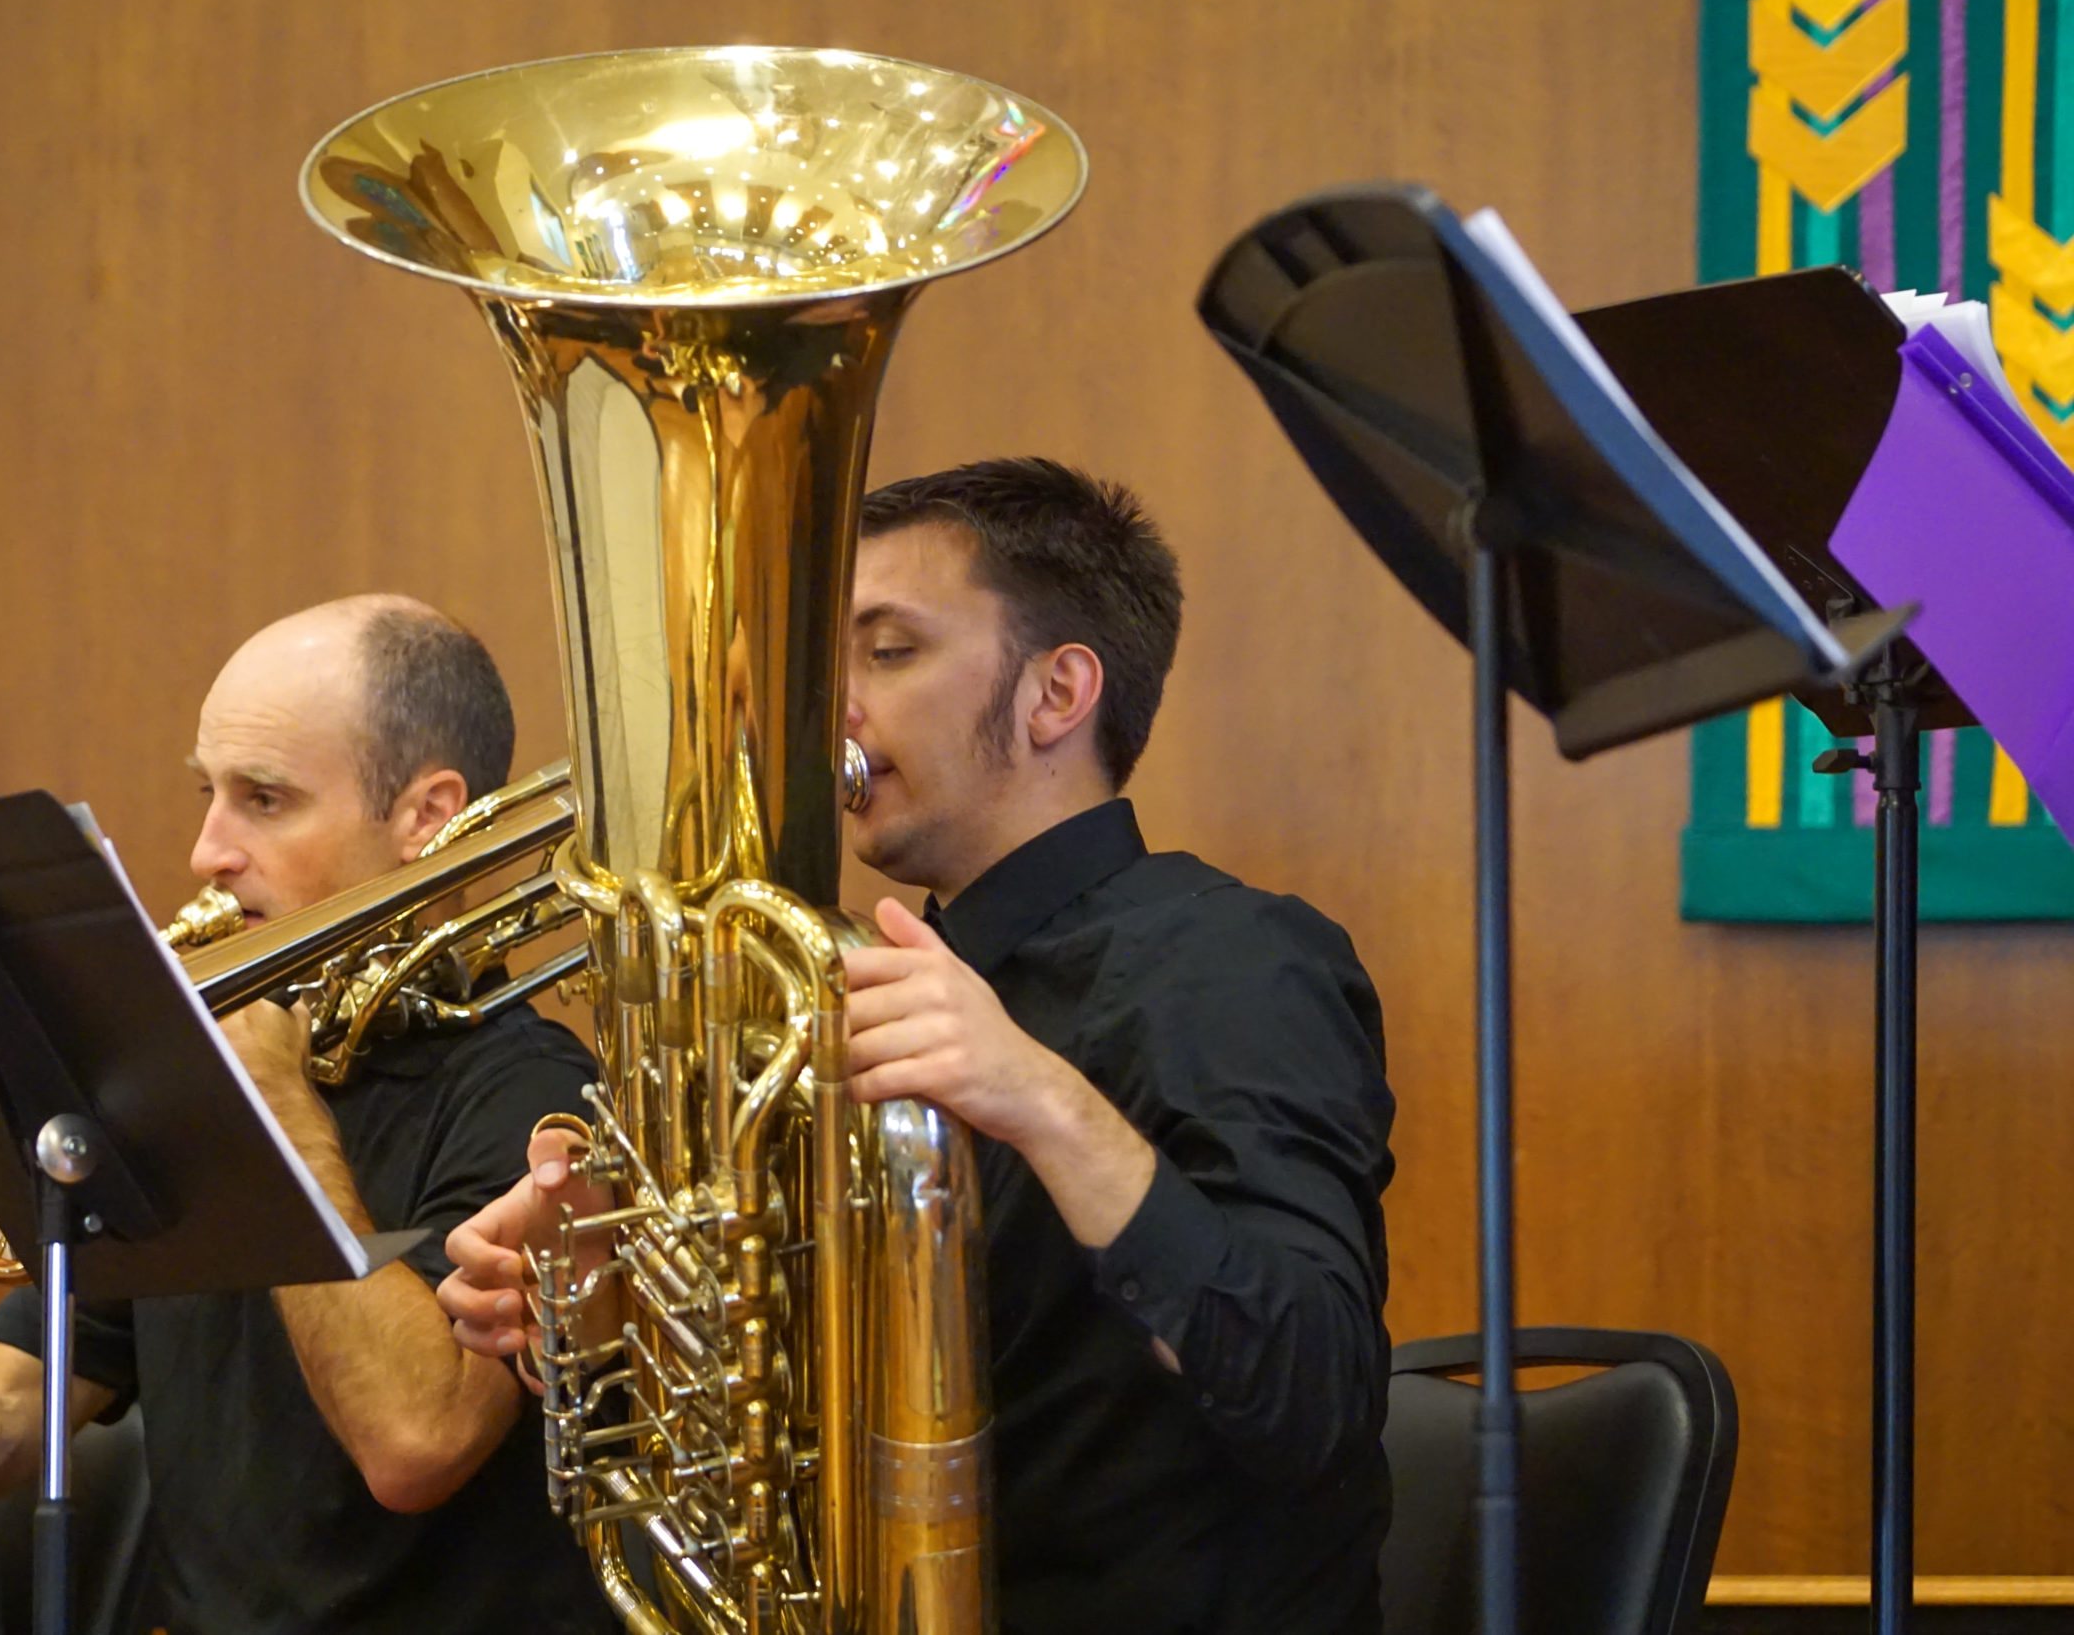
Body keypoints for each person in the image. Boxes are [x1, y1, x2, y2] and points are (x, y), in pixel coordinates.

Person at [441, 460, 1397, 1635]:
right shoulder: (842, 996)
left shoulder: (1235, 962)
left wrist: (1041, 1098)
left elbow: (1315, 1395)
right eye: (823, 664)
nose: (824, 706)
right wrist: (601, 1310)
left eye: (886, 652)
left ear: (1056, 695)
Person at [0, 596, 611, 1635]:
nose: (206, 851)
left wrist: (274, 1108)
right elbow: (6, 1414)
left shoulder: (532, 1092)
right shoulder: (174, 1096)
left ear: (427, 819)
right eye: (207, 794)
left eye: (264, 799)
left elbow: (415, 1440)